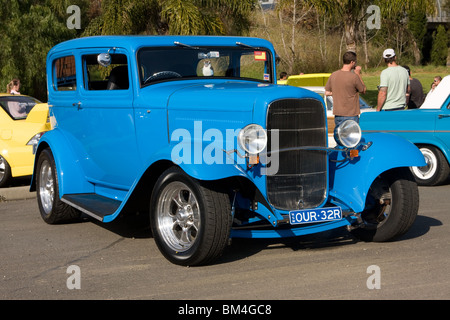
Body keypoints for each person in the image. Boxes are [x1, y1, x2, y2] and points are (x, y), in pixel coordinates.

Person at [325, 51, 366, 126]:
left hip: (338, 115)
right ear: (352, 62)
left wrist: (337, 93)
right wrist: (358, 74)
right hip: (351, 115)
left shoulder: (333, 75)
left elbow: (327, 92)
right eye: (355, 62)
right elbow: (363, 90)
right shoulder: (354, 77)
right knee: (352, 137)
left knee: (340, 137)